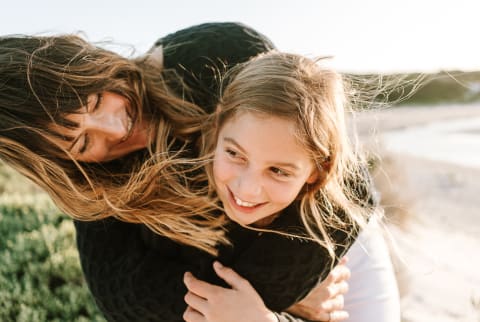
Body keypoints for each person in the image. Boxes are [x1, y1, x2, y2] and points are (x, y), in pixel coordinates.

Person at [0, 22, 398, 321]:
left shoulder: (210, 54)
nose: (117, 129)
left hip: (335, 249)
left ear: (94, 64)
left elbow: (348, 188)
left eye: (96, 100)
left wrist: (286, 294)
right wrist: (272, 306)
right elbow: (127, 299)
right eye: (84, 143)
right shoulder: (93, 187)